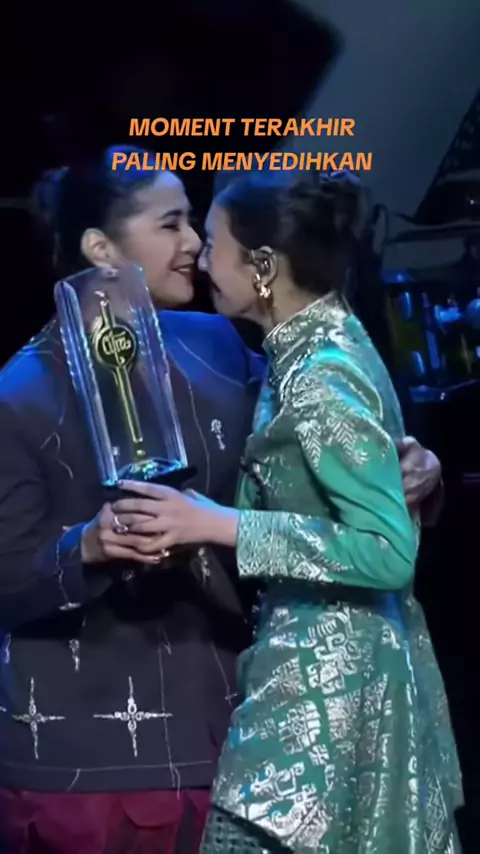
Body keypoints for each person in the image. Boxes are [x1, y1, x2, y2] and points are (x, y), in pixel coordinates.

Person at [0, 146, 442, 854]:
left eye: (197, 226)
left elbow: (322, 464)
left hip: (240, 729)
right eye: (171, 224)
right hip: (87, 756)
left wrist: (417, 468)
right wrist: (87, 547)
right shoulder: (20, 394)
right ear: (100, 248)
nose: (193, 246)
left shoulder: (222, 346)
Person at [110, 170, 462, 853]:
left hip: (328, 696)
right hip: (319, 676)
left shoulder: (321, 371)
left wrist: (220, 524)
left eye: (214, 244)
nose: (201, 260)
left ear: (263, 266)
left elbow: (387, 550)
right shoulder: (302, 351)